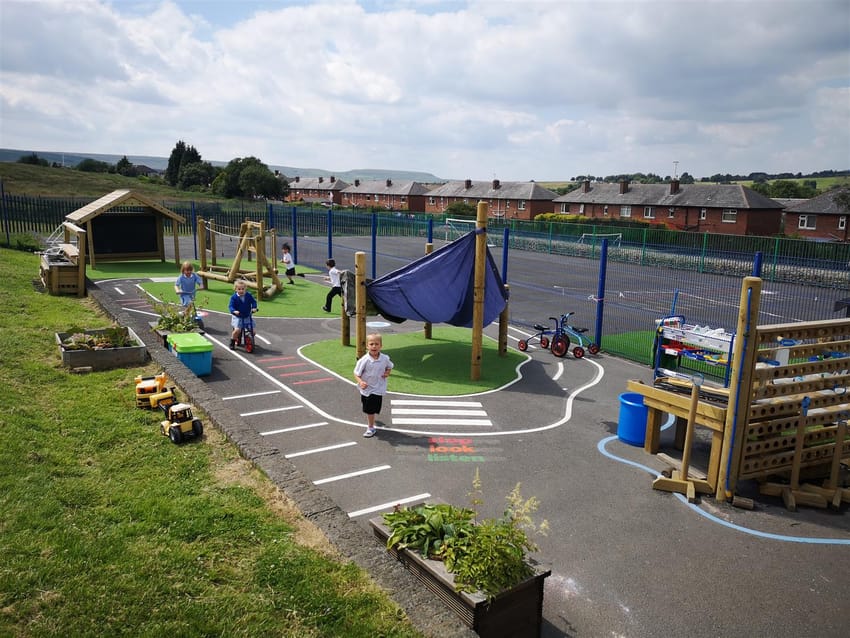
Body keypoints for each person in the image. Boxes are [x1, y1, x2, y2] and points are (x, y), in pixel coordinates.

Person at [353, 333, 393, 438]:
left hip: (378, 388)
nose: (374, 346)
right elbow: (356, 373)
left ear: (381, 346)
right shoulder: (364, 360)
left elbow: (389, 366)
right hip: (366, 389)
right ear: (367, 346)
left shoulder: (384, 358)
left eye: (376, 344)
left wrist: (387, 373)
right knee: (369, 409)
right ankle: (371, 426)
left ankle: (370, 427)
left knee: (371, 409)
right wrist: (361, 382)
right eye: (371, 344)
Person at [228, 279, 258, 350]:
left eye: (243, 289)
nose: (241, 290)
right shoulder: (234, 297)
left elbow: (253, 302)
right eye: (239, 289)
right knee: (237, 330)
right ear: (235, 289)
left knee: (253, 332)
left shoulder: (248, 295)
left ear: (245, 289)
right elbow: (231, 306)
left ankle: (249, 340)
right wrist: (234, 311)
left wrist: (254, 308)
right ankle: (232, 342)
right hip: (238, 316)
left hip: (247, 315)